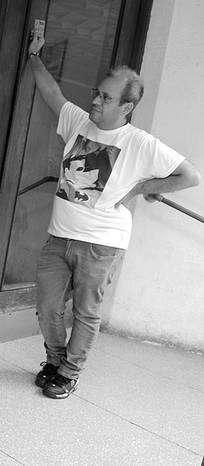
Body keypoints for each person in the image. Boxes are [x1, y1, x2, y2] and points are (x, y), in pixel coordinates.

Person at [27, 33, 200, 399]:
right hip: (59, 237)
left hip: (102, 245)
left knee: (86, 313)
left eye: (106, 97)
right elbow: (52, 94)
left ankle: (70, 372)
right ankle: (55, 361)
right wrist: (33, 58)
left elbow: (190, 175)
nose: (95, 100)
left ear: (126, 106)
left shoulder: (139, 143)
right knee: (47, 306)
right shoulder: (78, 122)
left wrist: (142, 188)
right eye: (97, 92)